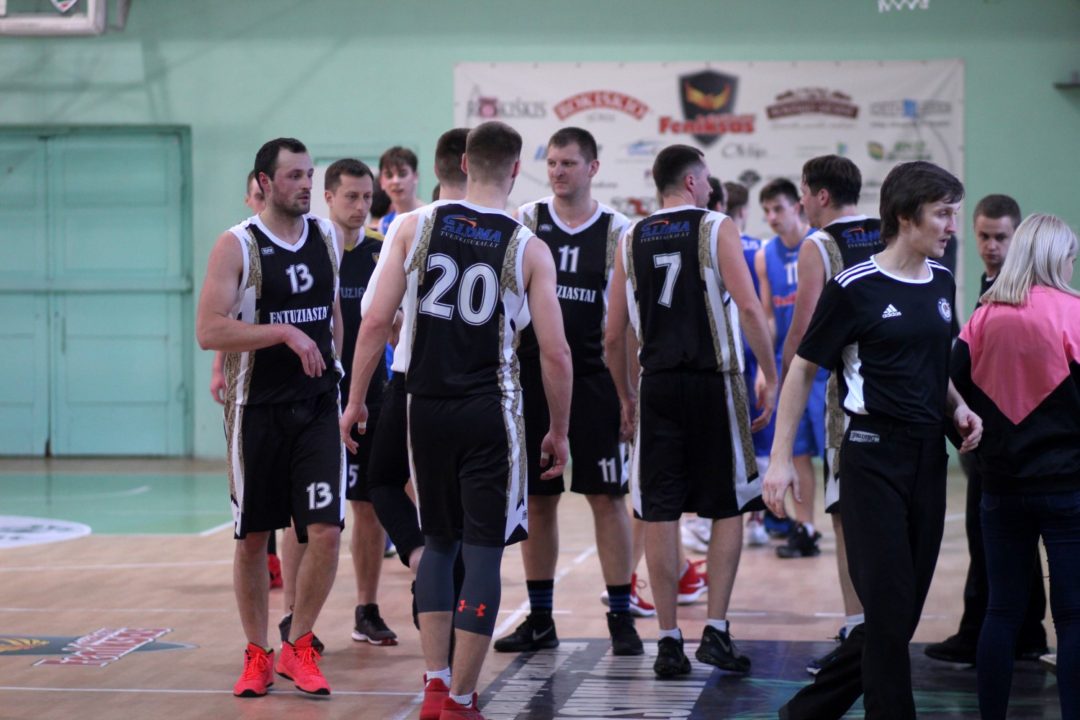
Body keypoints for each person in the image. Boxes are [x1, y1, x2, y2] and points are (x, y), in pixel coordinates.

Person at [341, 120, 573, 720]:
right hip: (490, 410)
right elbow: (555, 352)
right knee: (484, 552)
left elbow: (374, 321)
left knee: (439, 545)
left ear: (464, 163)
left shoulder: (413, 227)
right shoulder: (528, 246)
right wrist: (558, 430)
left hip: (421, 406)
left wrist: (357, 399)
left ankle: (436, 686)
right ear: (516, 170)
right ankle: (464, 701)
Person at [765, 160, 982, 720]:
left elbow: (934, 366)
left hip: (928, 458)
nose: (951, 226)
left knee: (897, 616)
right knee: (887, 608)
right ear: (906, 216)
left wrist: (959, 407)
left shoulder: (941, 281)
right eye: (942, 213)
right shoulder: (853, 286)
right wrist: (780, 459)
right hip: (870, 456)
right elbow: (802, 369)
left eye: (953, 213)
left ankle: (806, 712)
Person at [605, 144, 778, 679]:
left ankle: (667, 640)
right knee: (728, 506)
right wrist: (771, 375)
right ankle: (716, 631)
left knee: (659, 511)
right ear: (690, 181)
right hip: (714, 382)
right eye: (705, 179)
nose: (708, 186)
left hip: (656, 386)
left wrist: (625, 395)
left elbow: (613, 334)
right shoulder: (715, 226)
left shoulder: (629, 236)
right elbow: (749, 307)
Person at [196, 138, 344, 697]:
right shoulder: (236, 244)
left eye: (309, 174)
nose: (306, 185)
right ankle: (256, 652)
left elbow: (332, 314)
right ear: (263, 182)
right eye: (293, 176)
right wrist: (282, 332)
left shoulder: (326, 236)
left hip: (317, 405)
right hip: (255, 409)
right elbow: (209, 329)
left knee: (325, 531)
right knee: (254, 537)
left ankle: (298, 643)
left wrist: (339, 371)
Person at [493, 127, 642, 658]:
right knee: (538, 499)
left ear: (592, 168)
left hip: (596, 377)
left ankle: (621, 615)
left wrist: (629, 393)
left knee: (608, 497)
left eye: (568, 163)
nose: (557, 171)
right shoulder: (526, 220)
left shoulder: (619, 230)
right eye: (552, 163)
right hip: (534, 375)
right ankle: (540, 618)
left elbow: (627, 325)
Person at [950, 213, 1079, 720]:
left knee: (1000, 613)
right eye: (1071, 256)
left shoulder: (983, 318)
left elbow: (949, 390)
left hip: (1000, 487)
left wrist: (975, 445)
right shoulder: (1074, 313)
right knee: (1072, 618)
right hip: (1068, 489)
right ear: (1057, 257)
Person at [924, 194, 1048, 665]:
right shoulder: (985, 285)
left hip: (1007, 437)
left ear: (1018, 238)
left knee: (989, 534)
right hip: (986, 431)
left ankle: (984, 629)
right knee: (1005, 537)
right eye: (983, 236)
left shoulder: (1018, 295)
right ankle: (1026, 630)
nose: (991, 246)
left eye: (1001, 237)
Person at [783, 155, 879, 674]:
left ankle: (857, 631)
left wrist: (781, 384)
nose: (801, 202)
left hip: (852, 397)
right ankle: (885, 630)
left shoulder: (818, 245)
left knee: (846, 519)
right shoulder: (892, 231)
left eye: (803, 192)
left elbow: (804, 335)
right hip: (906, 392)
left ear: (821, 195)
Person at [209, 171, 284, 590]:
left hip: (294, 388)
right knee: (257, 491)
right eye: (256, 195)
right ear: (249, 198)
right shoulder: (238, 245)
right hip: (251, 389)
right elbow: (224, 321)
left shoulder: (300, 242)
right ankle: (267, 556)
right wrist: (217, 369)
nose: (262, 200)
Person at [753, 179, 826, 559]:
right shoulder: (765, 255)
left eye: (778, 208)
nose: (771, 217)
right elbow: (767, 316)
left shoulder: (820, 244)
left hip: (825, 366)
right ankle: (806, 527)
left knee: (835, 452)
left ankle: (851, 522)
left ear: (797, 207)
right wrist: (764, 367)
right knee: (796, 452)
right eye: (766, 211)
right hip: (791, 365)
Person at [377, 146, 424, 234]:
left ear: (415, 176)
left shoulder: (431, 216)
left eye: (402, 174)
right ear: (381, 181)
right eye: (389, 175)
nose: (395, 181)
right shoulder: (383, 224)